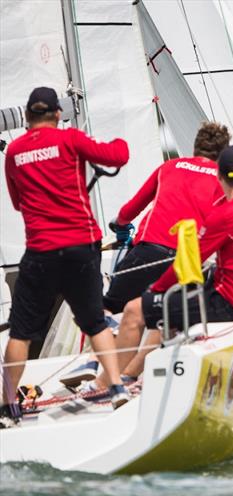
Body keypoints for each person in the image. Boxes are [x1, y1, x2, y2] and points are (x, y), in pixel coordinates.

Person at [59, 122, 231, 388]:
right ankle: (130, 375)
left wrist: (119, 224)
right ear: (222, 155)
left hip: (148, 250)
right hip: (184, 261)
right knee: (164, 317)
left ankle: (94, 361)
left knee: (108, 307)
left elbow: (131, 209)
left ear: (195, 146)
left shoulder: (169, 167)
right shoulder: (222, 180)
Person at [1, 87, 131, 427]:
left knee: (21, 333)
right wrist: (106, 140)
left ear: (28, 117)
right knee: (94, 321)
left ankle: (8, 405)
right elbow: (119, 155)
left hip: (41, 251)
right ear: (58, 114)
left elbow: (17, 202)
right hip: (80, 247)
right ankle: (117, 388)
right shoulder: (71, 140)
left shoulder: (13, 151)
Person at [109, 145, 233, 380]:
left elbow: (192, 259)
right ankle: (131, 374)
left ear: (220, 176)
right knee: (171, 308)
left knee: (136, 308)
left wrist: (155, 290)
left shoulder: (225, 215)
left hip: (230, 304)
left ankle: (108, 383)